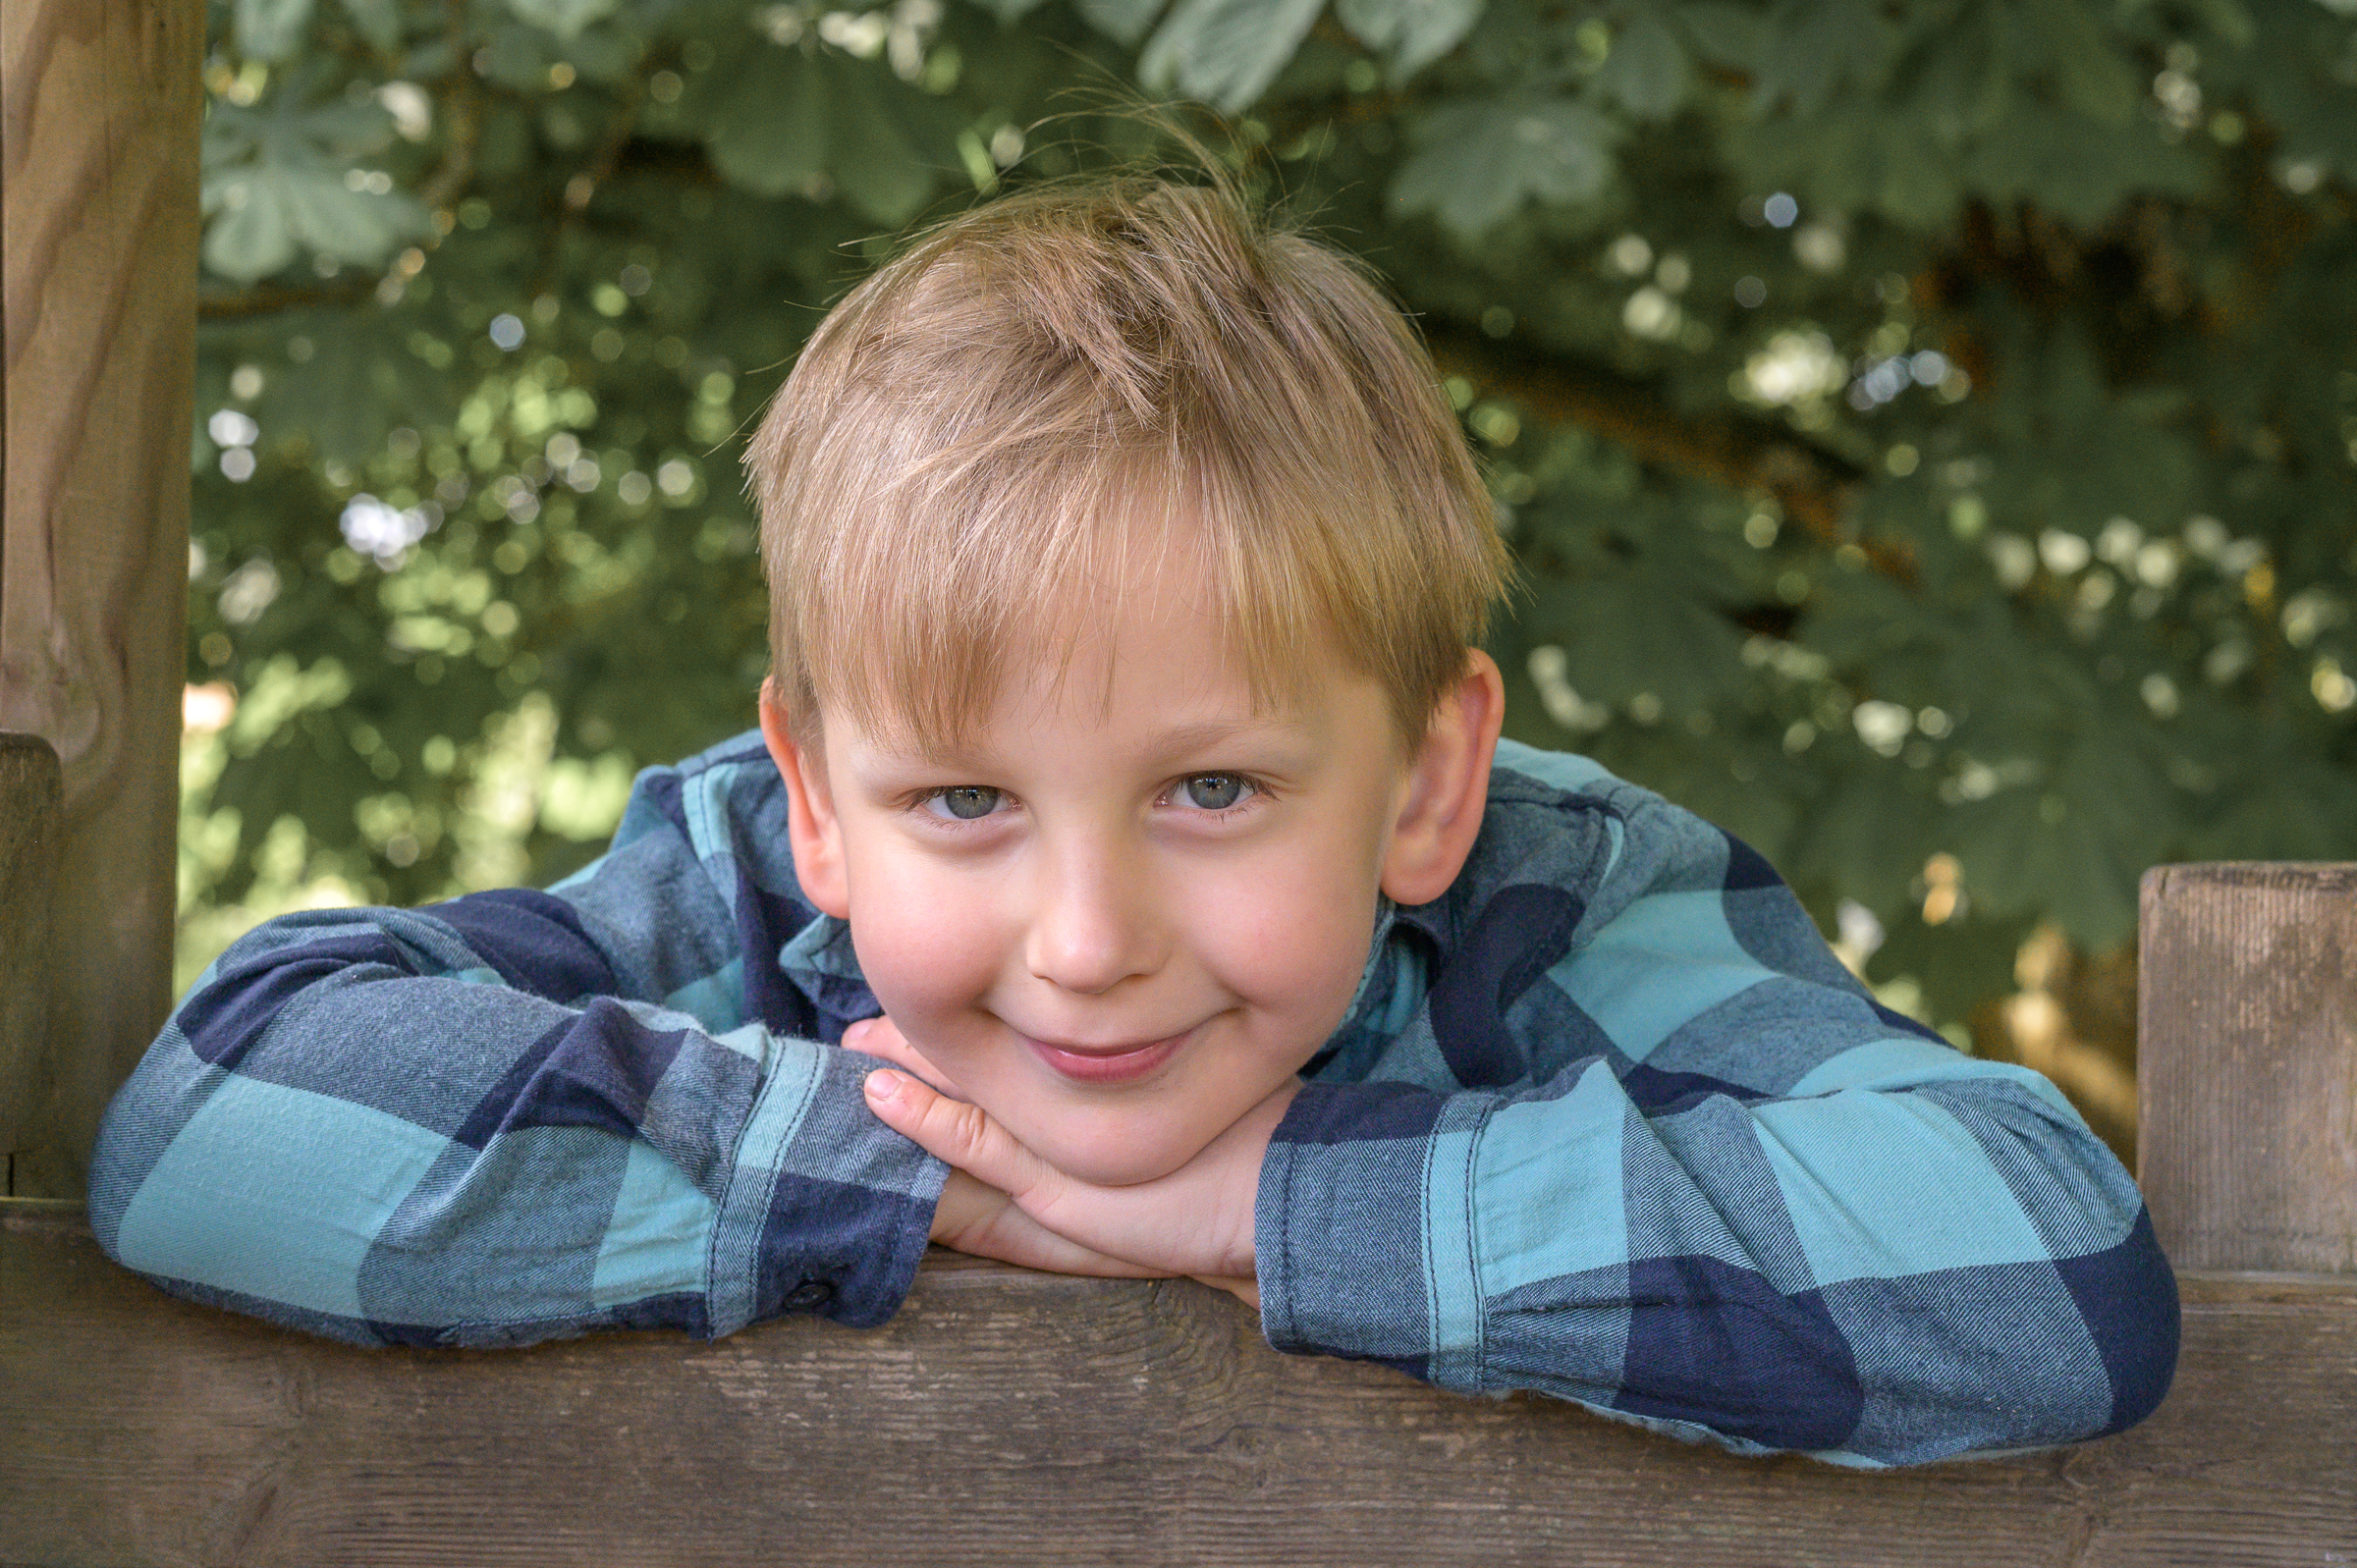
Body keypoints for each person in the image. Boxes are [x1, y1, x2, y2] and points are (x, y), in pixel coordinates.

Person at [87, 175, 2178, 1466]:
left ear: (1429, 778)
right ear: (817, 800)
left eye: (1211, 789)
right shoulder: (731, 873)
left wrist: (1285, 1200)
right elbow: (214, 1114)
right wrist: (878, 1168)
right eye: (966, 800)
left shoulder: (1568, 896)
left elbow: (2046, 1254)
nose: (1083, 937)